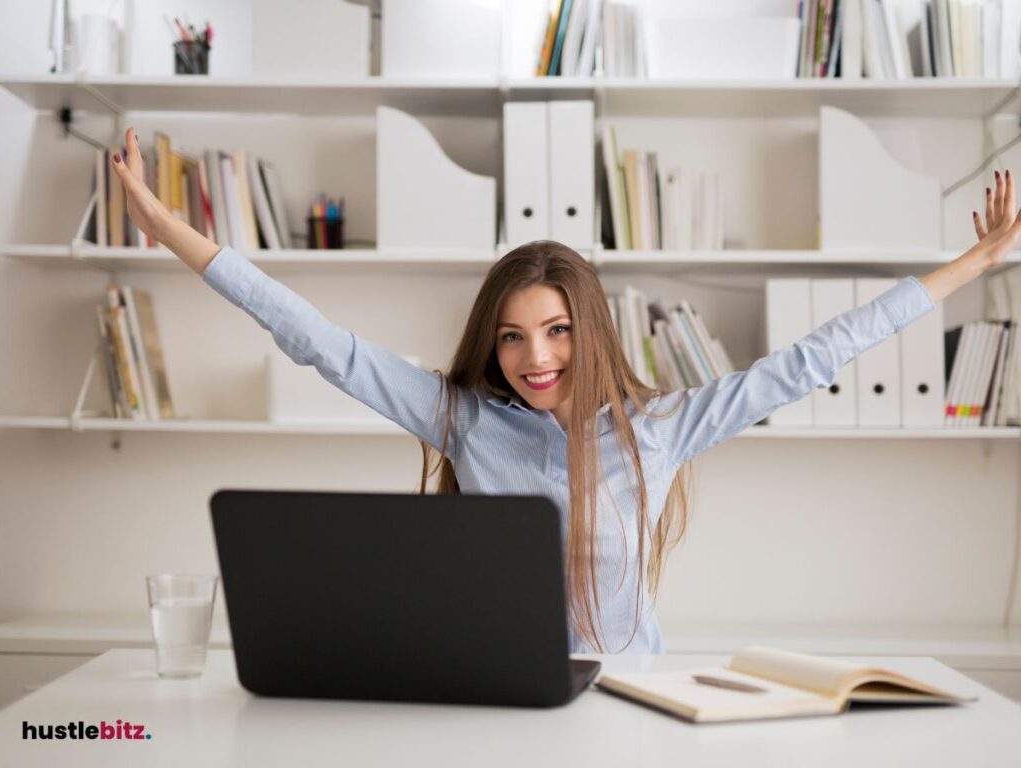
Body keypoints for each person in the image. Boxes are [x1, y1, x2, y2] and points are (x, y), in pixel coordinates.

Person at [110, 127, 1021, 654]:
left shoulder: (663, 427)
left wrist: (970, 266)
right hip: (499, 702)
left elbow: (817, 353)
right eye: (511, 337)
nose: (533, 356)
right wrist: (166, 227)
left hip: (636, 700)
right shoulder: (460, 418)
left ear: (590, 327)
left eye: (555, 330)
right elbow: (316, 340)